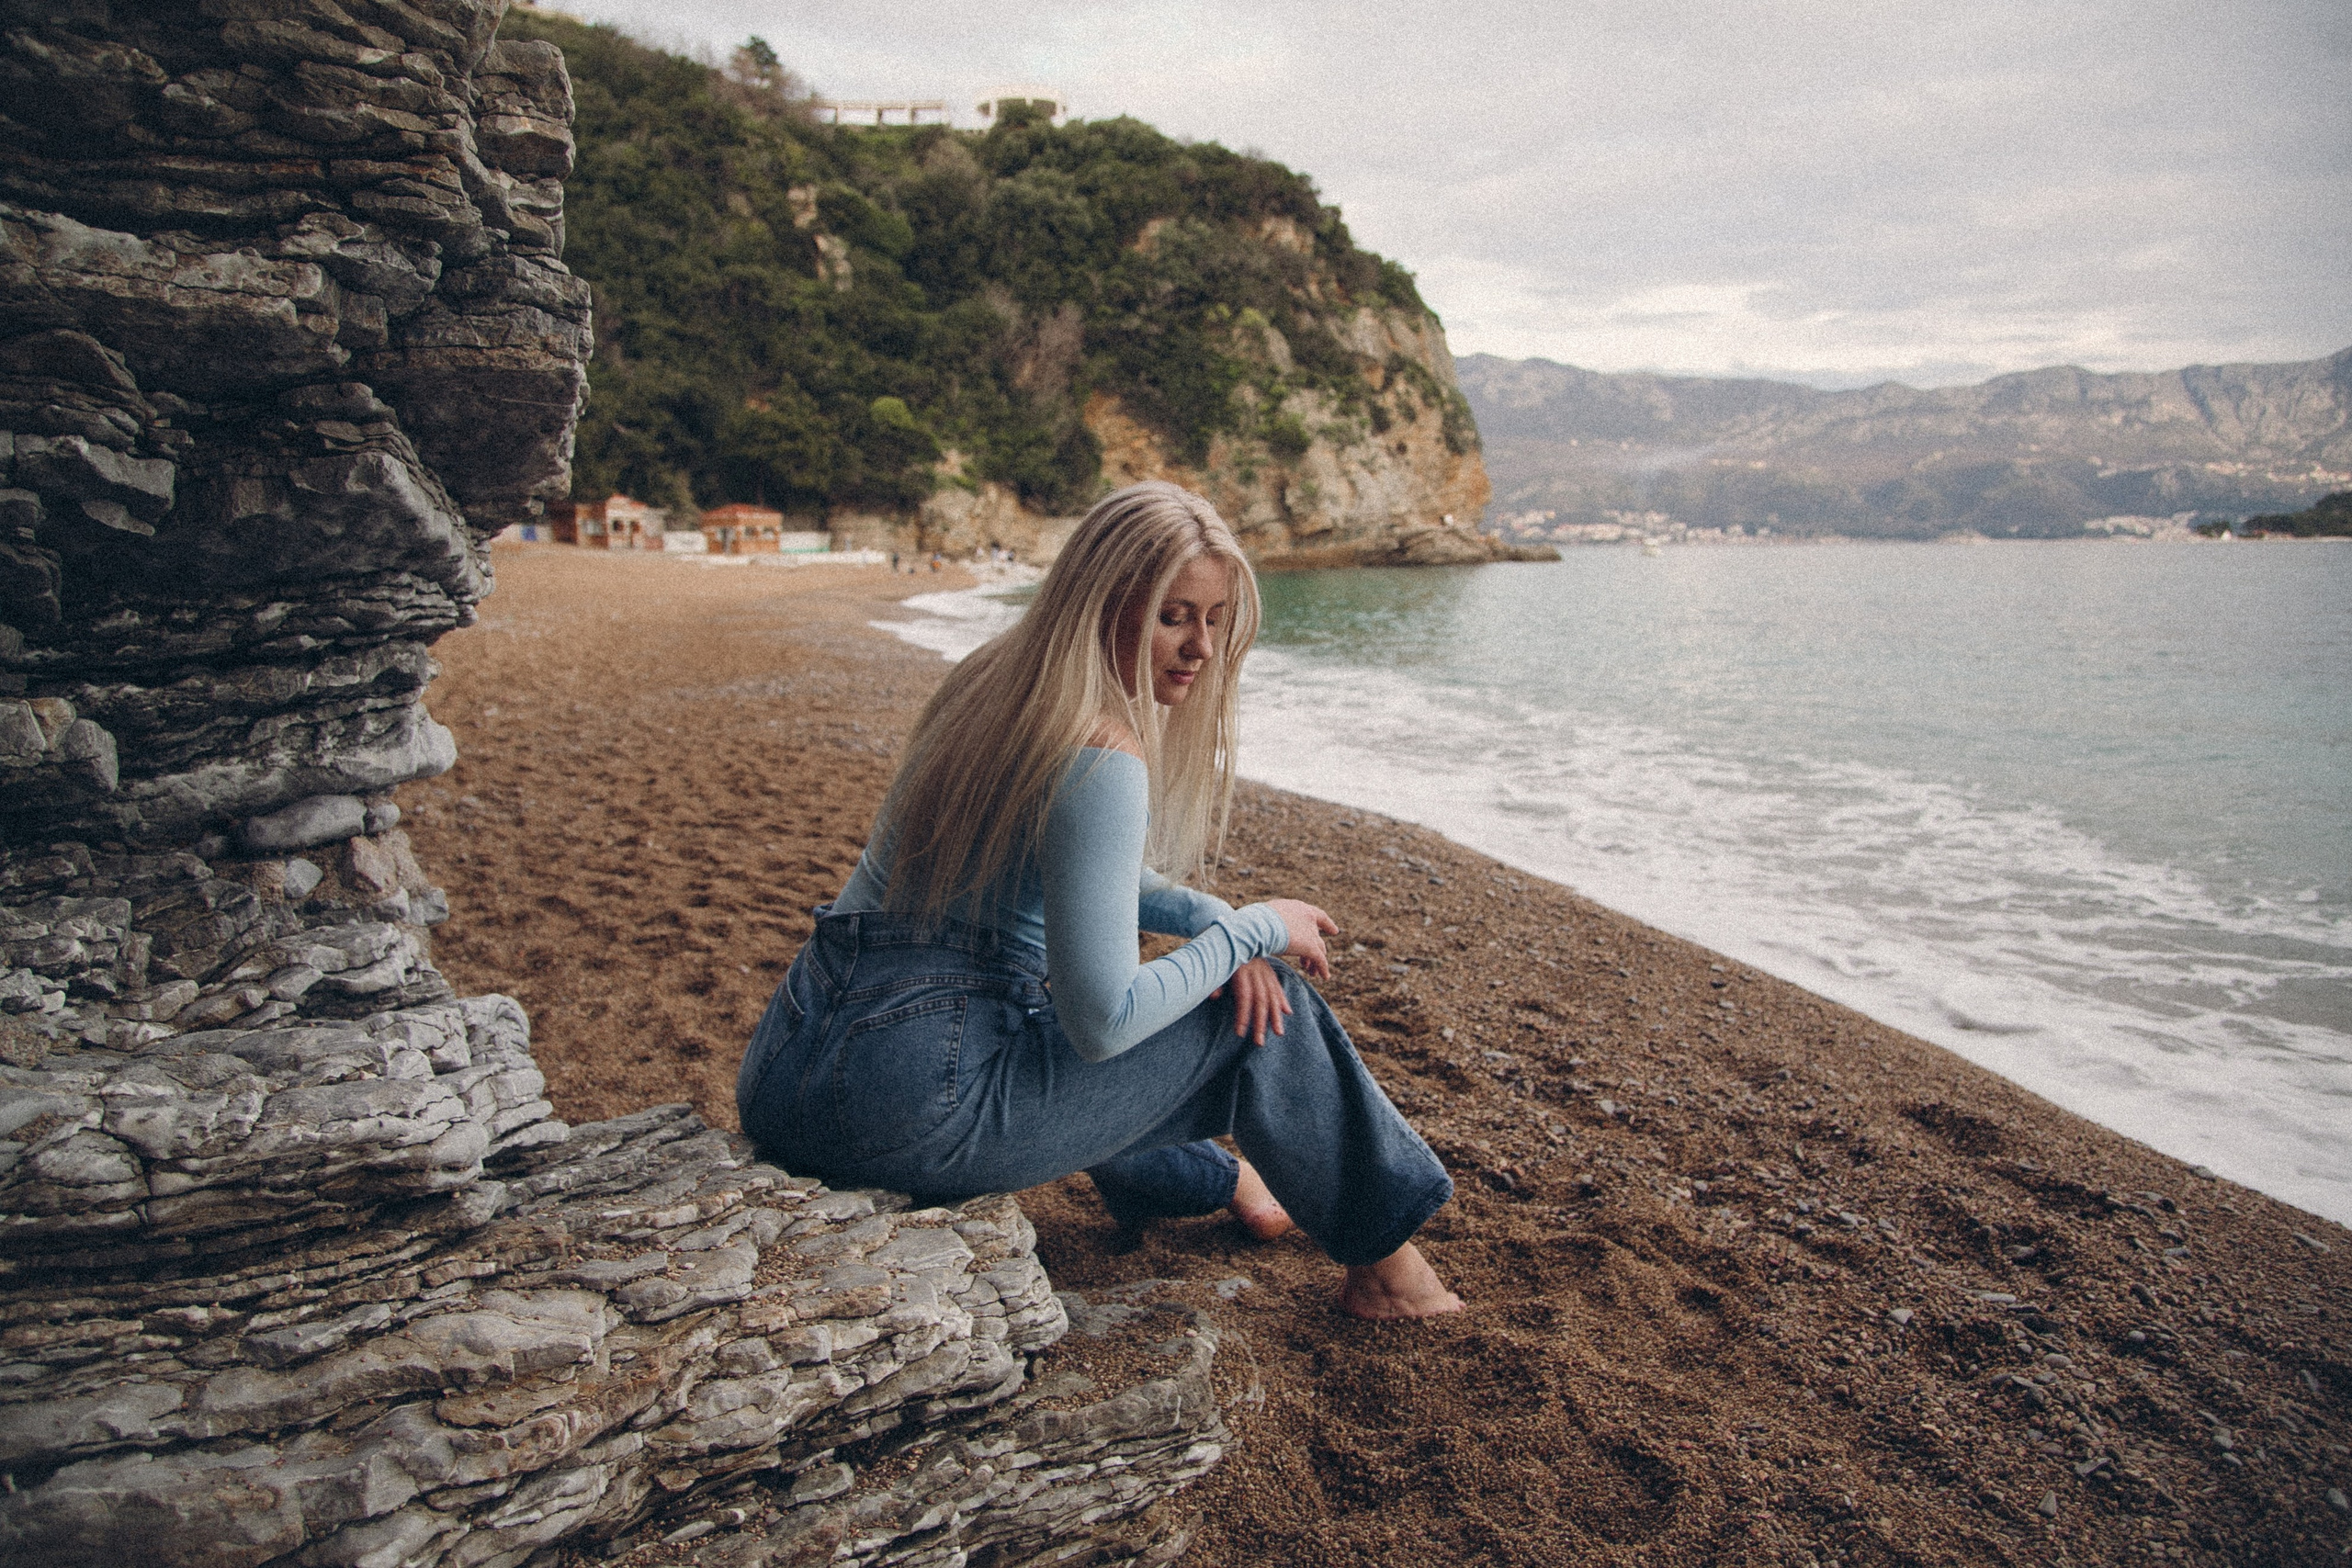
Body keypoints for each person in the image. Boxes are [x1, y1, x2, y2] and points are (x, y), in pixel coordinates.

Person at [737, 481, 1461, 1318]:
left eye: (1216, 619)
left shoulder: (994, 682)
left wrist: (1211, 919)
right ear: (1102, 602)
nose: (1199, 648)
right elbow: (1104, 1021)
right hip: (908, 1105)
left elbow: (1091, 877)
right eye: (1172, 615)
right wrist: (1261, 927)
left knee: (1130, 999)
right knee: (1270, 1013)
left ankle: (1219, 1179)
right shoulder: (1101, 749)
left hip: (789, 1065)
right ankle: (1389, 1275)